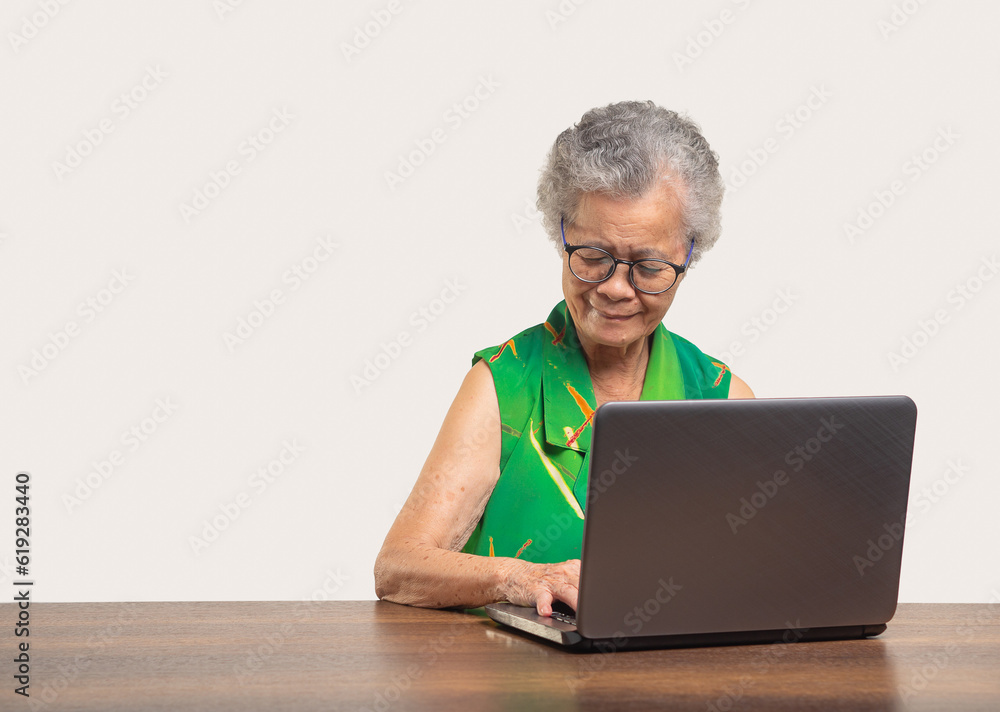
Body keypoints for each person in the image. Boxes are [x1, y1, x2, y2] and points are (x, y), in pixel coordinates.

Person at [374, 100, 754, 617]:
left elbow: (752, 573)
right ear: (562, 236)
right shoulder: (502, 385)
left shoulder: (723, 397)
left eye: (647, 267)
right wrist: (520, 578)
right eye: (593, 258)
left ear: (688, 257)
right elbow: (397, 567)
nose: (616, 289)